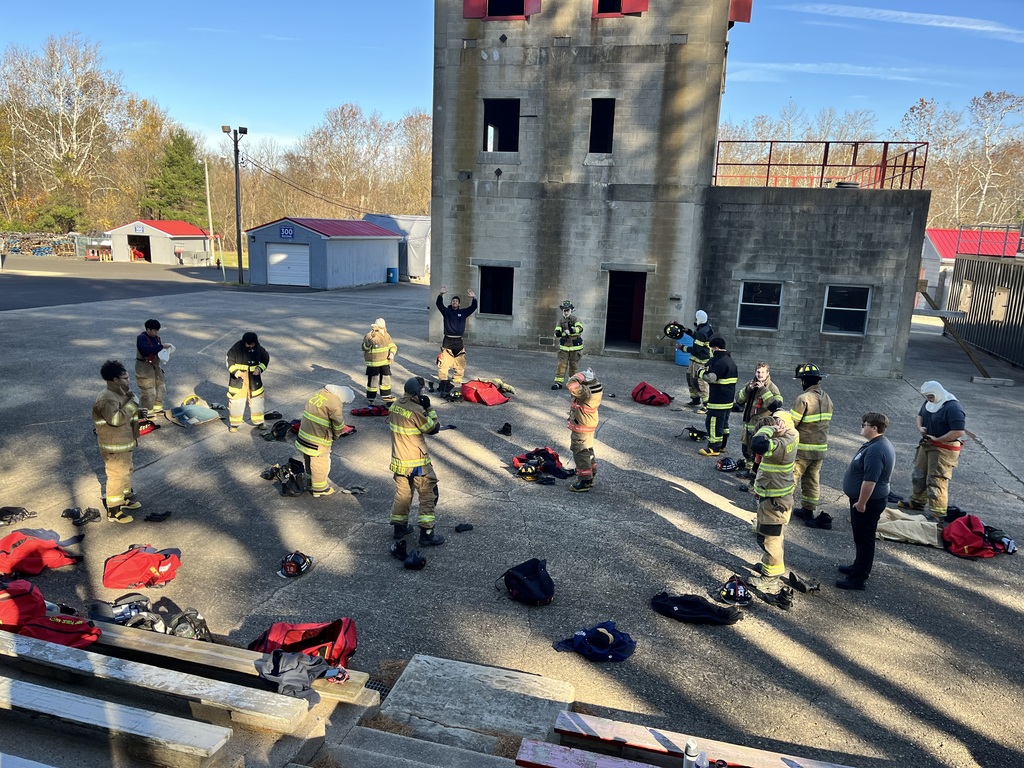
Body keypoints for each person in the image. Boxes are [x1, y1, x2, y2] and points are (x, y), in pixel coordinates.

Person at [837, 412, 896, 590]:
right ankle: (857, 566)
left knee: (864, 540)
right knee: (861, 538)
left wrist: (861, 503)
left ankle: (858, 577)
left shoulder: (876, 450)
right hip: (866, 500)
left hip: (867, 503)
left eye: (864, 424)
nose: (862, 426)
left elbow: (870, 481)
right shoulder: (877, 444)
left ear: (874, 428)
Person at [899, 381, 966, 523]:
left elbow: (958, 431)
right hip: (927, 443)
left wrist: (940, 439)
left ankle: (937, 513)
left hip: (944, 448)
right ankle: (917, 501)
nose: (928, 399)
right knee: (919, 473)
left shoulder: (952, 407)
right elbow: (920, 415)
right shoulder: (929, 402)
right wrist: (920, 427)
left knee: (936, 479)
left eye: (930, 396)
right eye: (927, 397)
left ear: (937, 393)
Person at [389, 377, 444, 545]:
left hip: (399, 460)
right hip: (417, 462)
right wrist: (428, 407)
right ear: (417, 393)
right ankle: (427, 534)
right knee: (429, 495)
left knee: (403, 495)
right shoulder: (416, 410)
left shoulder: (395, 406)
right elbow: (434, 428)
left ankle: (399, 529)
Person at [749, 412, 799, 584]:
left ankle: (770, 579)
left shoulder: (778, 445)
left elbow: (758, 444)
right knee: (767, 535)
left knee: (771, 539)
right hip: (775, 497)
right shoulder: (791, 435)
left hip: (775, 500)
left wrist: (768, 428)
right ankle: (768, 565)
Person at [92, 360, 143, 523]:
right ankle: (114, 510)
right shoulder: (106, 398)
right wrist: (133, 405)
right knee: (116, 475)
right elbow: (116, 419)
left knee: (126, 470)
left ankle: (125, 497)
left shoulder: (120, 392)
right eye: (125, 378)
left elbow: (127, 411)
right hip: (114, 445)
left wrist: (139, 413)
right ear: (114, 379)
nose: (129, 381)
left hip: (124, 442)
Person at [790, 363, 834, 529]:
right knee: (812, 481)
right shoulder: (827, 398)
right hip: (820, 449)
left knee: (790, 481)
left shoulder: (803, 399)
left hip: (802, 450)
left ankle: (782, 513)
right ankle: (808, 512)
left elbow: (791, 424)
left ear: (805, 382)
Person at [296, 385, 355, 498]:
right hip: (318, 440)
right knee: (320, 464)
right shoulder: (335, 402)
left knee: (308, 460)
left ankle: (310, 483)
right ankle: (319, 489)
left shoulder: (319, 394)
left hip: (304, 436)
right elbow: (338, 423)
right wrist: (336, 436)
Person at [736, 362, 783, 472]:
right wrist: (748, 389)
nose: (760, 375)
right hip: (748, 425)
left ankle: (755, 473)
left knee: (756, 452)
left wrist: (763, 390)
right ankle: (749, 468)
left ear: (767, 373)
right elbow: (738, 399)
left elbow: (775, 405)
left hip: (761, 426)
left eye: (763, 372)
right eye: (758, 372)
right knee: (746, 450)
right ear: (755, 372)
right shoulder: (752, 384)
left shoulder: (772, 387)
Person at [697, 337, 738, 457]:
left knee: (713, 423)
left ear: (715, 348)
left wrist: (700, 372)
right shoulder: (730, 360)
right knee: (723, 423)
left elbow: (711, 378)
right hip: (728, 399)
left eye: (711, 349)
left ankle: (714, 448)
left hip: (718, 399)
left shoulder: (720, 362)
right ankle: (723, 445)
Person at [435, 286, 477, 397]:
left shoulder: (463, 313)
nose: (454, 302)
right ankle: (443, 380)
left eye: (456, 301)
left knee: (460, 363)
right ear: (451, 303)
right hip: (447, 341)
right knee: (444, 363)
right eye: (453, 301)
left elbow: (473, 307)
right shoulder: (447, 312)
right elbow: (439, 305)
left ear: (459, 304)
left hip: (458, 342)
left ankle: (457, 379)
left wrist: (474, 297)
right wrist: (440, 294)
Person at [566, 367, 603, 492]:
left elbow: (571, 384)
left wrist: (579, 376)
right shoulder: (595, 386)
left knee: (580, 451)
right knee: (587, 449)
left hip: (582, 426)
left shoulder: (586, 392)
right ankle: (591, 474)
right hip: (587, 424)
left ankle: (584, 480)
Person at [226, 332, 270, 433]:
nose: (250, 346)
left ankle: (259, 422)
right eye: (248, 344)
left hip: (254, 380)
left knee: (257, 400)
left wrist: (259, 369)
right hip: (238, 380)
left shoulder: (259, 349)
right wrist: (237, 373)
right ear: (244, 342)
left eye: (252, 344)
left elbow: (266, 358)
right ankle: (234, 424)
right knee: (237, 401)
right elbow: (229, 362)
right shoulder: (235, 349)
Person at [677, 310, 714, 413]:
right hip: (695, 360)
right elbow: (697, 337)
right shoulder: (704, 328)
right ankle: (695, 400)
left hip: (701, 361)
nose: (695, 320)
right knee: (690, 378)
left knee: (700, 382)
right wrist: (688, 331)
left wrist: (682, 347)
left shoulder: (703, 332)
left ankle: (707, 406)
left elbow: (696, 349)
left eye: (696, 318)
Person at [135, 319, 171, 415]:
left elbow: (157, 350)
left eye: (157, 330)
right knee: (148, 389)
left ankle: (157, 407)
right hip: (144, 365)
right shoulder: (141, 338)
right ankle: (147, 411)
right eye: (154, 330)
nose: (156, 332)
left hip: (155, 365)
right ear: (148, 329)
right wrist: (162, 347)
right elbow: (146, 350)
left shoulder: (157, 338)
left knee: (161, 386)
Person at [362, 318, 398, 404]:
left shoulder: (386, 335)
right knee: (373, 380)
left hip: (385, 362)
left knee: (386, 378)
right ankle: (371, 398)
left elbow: (393, 346)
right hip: (373, 363)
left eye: (383, 328)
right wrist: (367, 344)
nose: (381, 330)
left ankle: (386, 395)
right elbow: (364, 348)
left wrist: (392, 354)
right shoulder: (370, 336)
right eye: (380, 328)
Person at [552, 300, 584, 389]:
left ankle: (572, 383)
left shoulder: (575, 319)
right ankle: (558, 383)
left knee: (573, 366)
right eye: (564, 310)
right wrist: (563, 333)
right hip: (564, 348)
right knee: (561, 365)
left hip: (575, 348)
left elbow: (580, 328)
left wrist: (570, 331)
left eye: (567, 310)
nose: (566, 312)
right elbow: (557, 333)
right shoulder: (560, 321)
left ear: (571, 310)